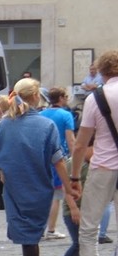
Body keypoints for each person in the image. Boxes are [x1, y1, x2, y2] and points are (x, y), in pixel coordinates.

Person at [0, 78, 68, 256]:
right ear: (36, 97)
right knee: (30, 238)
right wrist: (70, 185)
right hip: (39, 187)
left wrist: (4, 173)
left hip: (15, 188)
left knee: (28, 239)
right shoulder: (46, 126)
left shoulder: (5, 124)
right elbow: (58, 160)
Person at [66, 49, 118, 256]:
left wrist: (75, 177)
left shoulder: (95, 97)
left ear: (102, 71)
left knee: (88, 229)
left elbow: (80, 144)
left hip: (103, 167)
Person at [51, 144, 92, 256]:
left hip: (88, 210)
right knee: (79, 243)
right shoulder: (73, 163)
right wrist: (73, 208)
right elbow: (66, 187)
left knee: (87, 245)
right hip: (72, 212)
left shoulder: (93, 163)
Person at [41, 87, 77, 240]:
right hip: (59, 157)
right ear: (61, 98)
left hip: (43, 157)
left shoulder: (41, 114)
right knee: (56, 195)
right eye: (66, 96)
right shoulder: (66, 115)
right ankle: (51, 229)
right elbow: (70, 139)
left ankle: (40, 228)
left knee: (44, 194)